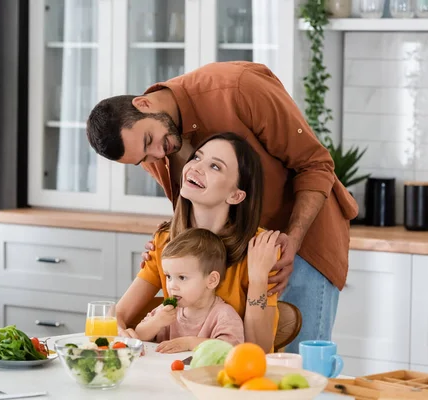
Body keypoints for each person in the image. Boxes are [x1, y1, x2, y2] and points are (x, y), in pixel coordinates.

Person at [86, 61, 358, 352]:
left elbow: (315, 164)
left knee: (297, 374)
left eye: (150, 141)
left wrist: (290, 240)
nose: (156, 155)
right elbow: (190, 206)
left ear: (143, 103)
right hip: (226, 246)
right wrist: (170, 242)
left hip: (298, 241)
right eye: (143, 158)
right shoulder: (151, 150)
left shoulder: (238, 88)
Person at [116, 133, 281, 354]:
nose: (195, 167)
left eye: (215, 167)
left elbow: (258, 349)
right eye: (196, 158)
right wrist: (119, 330)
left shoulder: (259, 248)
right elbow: (119, 315)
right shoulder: (165, 240)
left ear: (236, 196)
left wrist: (259, 278)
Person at [135, 228, 246, 353]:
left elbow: (231, 350)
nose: (172, 286)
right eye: (169, 277)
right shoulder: (167, 311)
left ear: (211, 280)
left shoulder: (224, 316)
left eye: (182, 277)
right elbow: (138, 336)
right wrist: (157, 322)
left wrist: (189, 343)